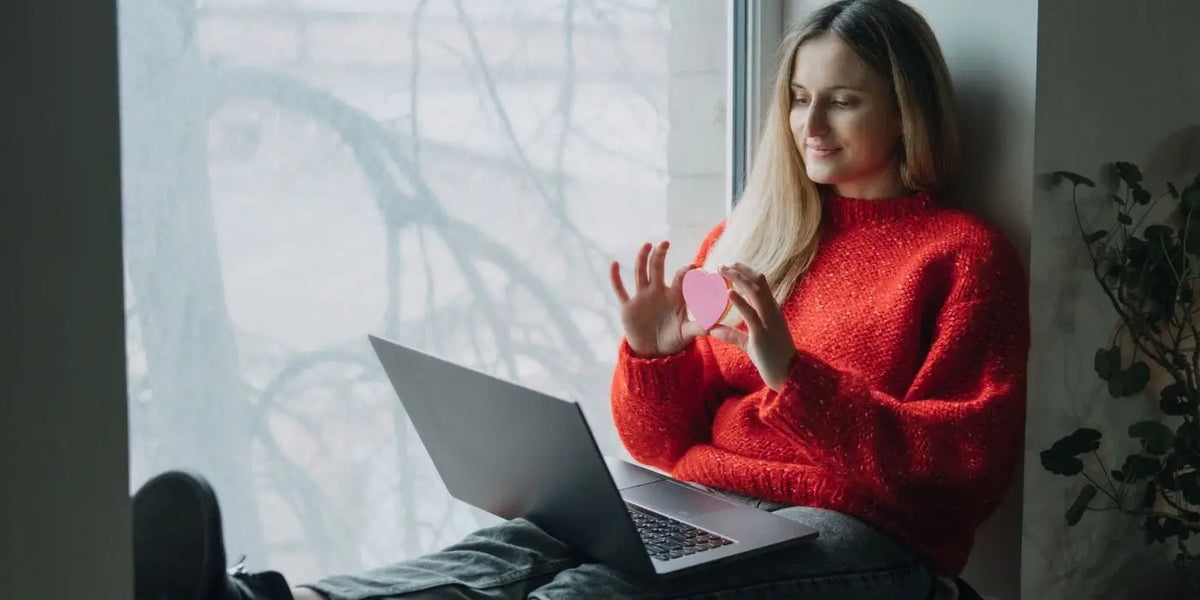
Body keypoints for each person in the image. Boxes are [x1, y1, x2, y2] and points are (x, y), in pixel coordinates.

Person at [132, 0, 1028, 598]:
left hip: (866, 540)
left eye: (841, 102)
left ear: (906, 112)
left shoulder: (959, 257)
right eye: (797, 99)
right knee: (512, 547)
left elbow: (962, 472)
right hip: (716, 506)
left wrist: (795, 377)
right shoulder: (757, 238)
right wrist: (654, 355)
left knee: (587, 595)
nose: (809, 126)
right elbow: (663, 442)